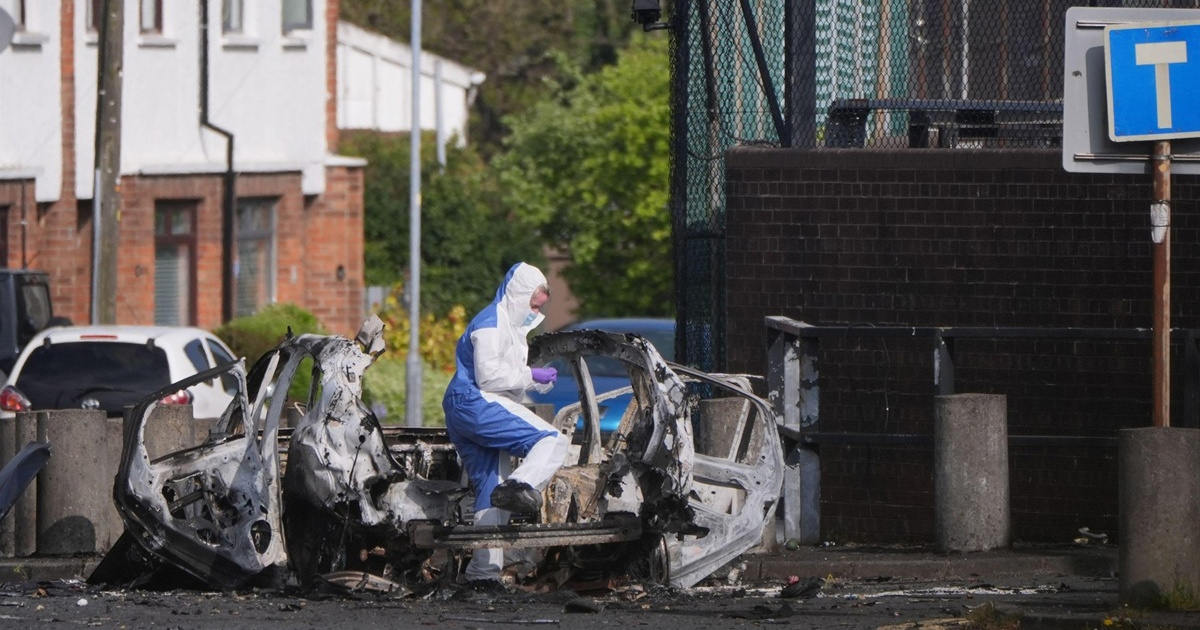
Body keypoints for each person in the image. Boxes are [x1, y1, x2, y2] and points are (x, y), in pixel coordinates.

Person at [442, 262, 571, 585]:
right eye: (533, 305)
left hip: (464, 407)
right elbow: (488, 377)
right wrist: (531, 374)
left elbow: (505, 377)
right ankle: (520, 486)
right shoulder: (491, 323)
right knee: (552, 440)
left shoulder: (508, 327)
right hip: (474, 402)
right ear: (518, 294)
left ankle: (483, 576)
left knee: (489, 486)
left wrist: (536, 382)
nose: (534, 313)